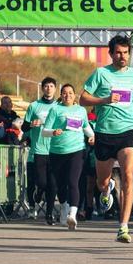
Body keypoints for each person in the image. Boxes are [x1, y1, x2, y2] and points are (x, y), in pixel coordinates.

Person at [80, 35, 133, 243]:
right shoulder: (101, 74)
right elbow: (83, 99)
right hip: (105, 133)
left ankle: (123, 226)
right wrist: (105, 100)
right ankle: (106, 189)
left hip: (127, 131)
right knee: (102, 181)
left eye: (125, 52)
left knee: (128, 175)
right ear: (111, 53)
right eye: (118, 52)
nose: (122, 56)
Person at [42, 84, 95, 230]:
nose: (68, 95)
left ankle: (73, 214)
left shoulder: (80, 110)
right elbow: (44, 131)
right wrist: (53, 132)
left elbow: (85, 127)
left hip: (76, 150)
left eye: (70, 93)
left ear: (75, 95)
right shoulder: (55, 109)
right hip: (57, 152)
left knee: (73, 181)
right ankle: (64, 207)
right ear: (61, 95)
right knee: (61, 184)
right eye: (64, 93)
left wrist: (92, 136)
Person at [22, 78, 58, 219]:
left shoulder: (58, 106)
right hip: (38, 150)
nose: (48, 88)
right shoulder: (34, 106)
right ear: (42, 88)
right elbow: (24, 127)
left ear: (55, 89)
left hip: (55, 150)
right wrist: (31, 123)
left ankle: (49, 213)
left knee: (53, 184)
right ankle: (37, 195)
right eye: (46, 86)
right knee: (41, 182)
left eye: (51, 86)